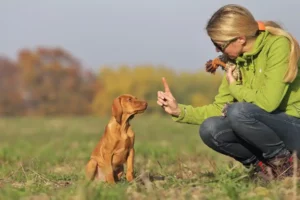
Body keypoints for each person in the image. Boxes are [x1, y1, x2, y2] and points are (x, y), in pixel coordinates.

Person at [157, 4, 300, 181]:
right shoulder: (234, 60)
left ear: (240, 38)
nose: (217, 50)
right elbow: (219, 107)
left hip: (294, 126)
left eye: (219, 44)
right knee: (210, 129)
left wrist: (235, 87)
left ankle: (287, 166)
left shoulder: (278, 45)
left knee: (237, 111)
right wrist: (180, 110)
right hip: (267, 129)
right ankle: (264, 168)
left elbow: (268, 103)